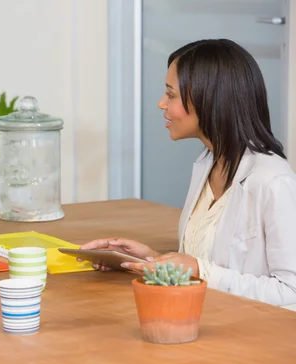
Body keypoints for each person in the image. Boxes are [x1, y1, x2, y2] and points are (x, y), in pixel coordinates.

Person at [82, 39, 296, 306]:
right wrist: (148, 260)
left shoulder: (273, 181)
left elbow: (291, 291)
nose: (161, 104)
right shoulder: (207, 163)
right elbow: (204, 261)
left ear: (209, 99)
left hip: (252, 334)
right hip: (201, 317)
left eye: (171, 95)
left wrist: (199, 270)